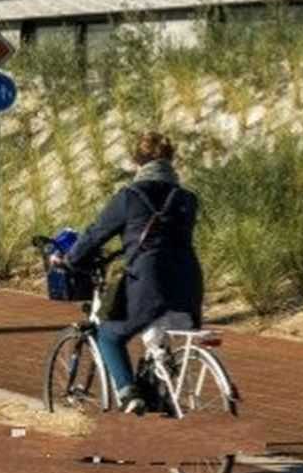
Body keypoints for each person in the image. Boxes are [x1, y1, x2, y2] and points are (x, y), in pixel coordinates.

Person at [51, 131, 203, 416]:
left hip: (149, 283)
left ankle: (128, 393)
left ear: (137, 162)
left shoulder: (130, 197)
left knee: (108, 335)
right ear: (170, 161)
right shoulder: (187, 199)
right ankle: (159, 388)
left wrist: (69, 259)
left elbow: (95, 235)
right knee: (157, 336)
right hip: (189, 284)